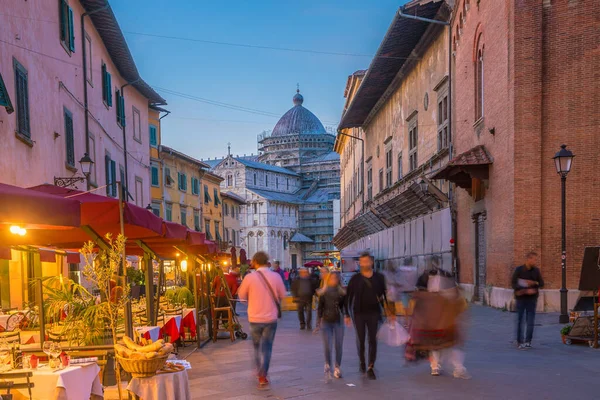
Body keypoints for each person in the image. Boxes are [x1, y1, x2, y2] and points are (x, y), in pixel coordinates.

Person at [238, 251, 286, 388]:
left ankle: (259, 371)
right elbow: (282, 294)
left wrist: (252, 299)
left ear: (255, 262)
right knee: (267, 347)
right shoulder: (276, 276)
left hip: (254, 317)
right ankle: (263, 374)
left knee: (256, 346)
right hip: (271, 318)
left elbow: (241, 297)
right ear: (266, 262)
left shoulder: (249, 278)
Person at [345, 251, 393, 380]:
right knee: (361, 339)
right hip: (358, 313)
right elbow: (348, 297)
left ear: (371, 262)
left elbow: (383, 296)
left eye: (366, 261)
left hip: (374, 313)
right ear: (359, 263)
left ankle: (371, 366)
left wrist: (388, 310)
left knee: (373, 339)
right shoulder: (355, 279)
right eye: (362, 262)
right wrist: (346, 314)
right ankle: (362, 361)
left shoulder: (379, 278)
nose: (364, 264)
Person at [316, 272, 346, 381]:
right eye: (332, 278)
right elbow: (320, 307)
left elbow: (344, 307)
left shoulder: (341, 293)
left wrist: (346, 316)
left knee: (339, 345)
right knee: (328, 345)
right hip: (326, 321)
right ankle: (327, 364)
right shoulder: (324, 293)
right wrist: (318, 320)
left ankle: (337, 367)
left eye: (336, 278)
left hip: (338, 321)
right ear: (328, 280)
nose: (334, 280)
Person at [512, 251, 544, 349]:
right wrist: (522, 290)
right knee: (520, 320)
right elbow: (513, 283)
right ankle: (519, 341)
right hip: (521, 299)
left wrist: (533, 283)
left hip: (532, 299)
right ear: (528, 259)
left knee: (530, 321)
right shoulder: (519, 270)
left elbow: (541, 284)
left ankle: (528, 341)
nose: (535, 261)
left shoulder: (536, 271)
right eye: (534, 259)